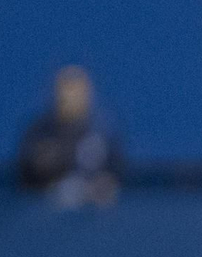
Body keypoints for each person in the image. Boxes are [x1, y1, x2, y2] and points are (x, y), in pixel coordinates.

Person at [17, 66, 124, 208]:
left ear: (88, 92)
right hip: (45, 214)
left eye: (75, 89)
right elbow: (24, 177)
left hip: (93, 215)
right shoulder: (39, 131)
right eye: (65, 88)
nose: (69, 95)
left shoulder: (103, 132)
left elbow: (117, 174)